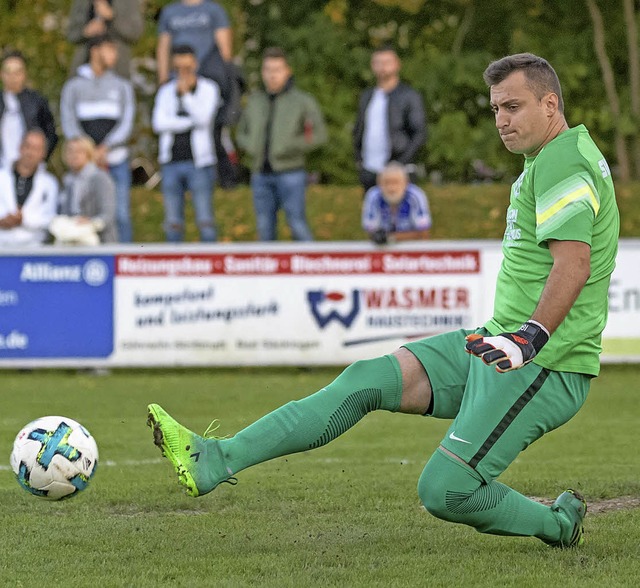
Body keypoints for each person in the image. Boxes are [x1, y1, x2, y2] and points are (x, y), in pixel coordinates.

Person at [147, 53, 620, 549]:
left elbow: (574, 264)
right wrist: (514, 338)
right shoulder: (550, 158)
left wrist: (529, 339)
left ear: (550, 104)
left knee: (445, 490)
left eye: (514, 107)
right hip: (497, 344)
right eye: (496, 108)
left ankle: (558, 525)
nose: (502, 120)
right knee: (366, 379)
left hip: (543, 363)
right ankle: (214, 458)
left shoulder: (564, 158)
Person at [236, 47, 327, 241]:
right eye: (268, 69)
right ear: (262, 72)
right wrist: (250, 145)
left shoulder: (302, 101)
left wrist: (291, 146)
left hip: (291, 172)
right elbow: (241, 132)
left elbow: (318, 135)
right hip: (260, 172)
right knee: (264, 225)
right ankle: (267, 269)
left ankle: (310, 266)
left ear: (287, 71)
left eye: (277, 69)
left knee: (296, 222)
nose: (272, 75)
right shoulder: (255, 101)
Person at [156, 0, 240, 189]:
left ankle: (225, 177)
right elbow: (164, 45)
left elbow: (225, 48)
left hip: (207, 78)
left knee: (214, 131)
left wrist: (226, 79)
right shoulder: (170, 12)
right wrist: (163, 78)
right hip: (177, 78)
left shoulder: (213, 10)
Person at [60, 34, 135, 243]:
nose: (115, 55)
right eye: (110, 49)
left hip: (115, 161)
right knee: (80, 214)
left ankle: (123, 264)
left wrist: (106, 148)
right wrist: (88, 151)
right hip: (84, 165)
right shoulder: (74, 87)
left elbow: (126, 122)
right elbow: (69, 122)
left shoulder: (122, 86)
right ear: (94, 51)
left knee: (120, 215)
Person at [152, 45, 220, 242]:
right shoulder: (165, 91)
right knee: (173, 221)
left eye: (186, 68)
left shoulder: (208, 88)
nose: (182, 73)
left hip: (199, 162)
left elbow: (203, 119)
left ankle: (210, 262)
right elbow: (159, 123)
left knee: (204, 219)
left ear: (195, 65)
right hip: (171, 161)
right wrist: (188, 122)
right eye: (178, 68)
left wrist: (186, 96)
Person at [353, 45, 426, 194]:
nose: (382, 67)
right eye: (378, 62)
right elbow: (359, 128)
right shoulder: (367, 96)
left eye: (387, 62)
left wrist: (401, 162)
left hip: (398, 170)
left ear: (397, 64)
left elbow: (419, 132)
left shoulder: (408, 96)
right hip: (369, 169)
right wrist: (359, 159)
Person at [53, 137, 117, 245]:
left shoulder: (100, 178)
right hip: (70, 236)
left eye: (79, 151)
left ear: (88, 154)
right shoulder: (67, 180)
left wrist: (90, 223)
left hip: (99, 241)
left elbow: (107, 215)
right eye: (70, 151)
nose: (74, 155)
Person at [0, 129, 58, 247]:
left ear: (43, 154)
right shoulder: (2, 176)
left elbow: (50, 219)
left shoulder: (50, 183)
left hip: (35, 248)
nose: (30, 153)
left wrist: (24, 220)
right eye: (28, 146)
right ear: (20, 147)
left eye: (36, 149)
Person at [0, 51, 58, 169]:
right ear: (2, 74)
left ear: (24, 74)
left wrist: (40, 157)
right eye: (8, 72)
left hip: (32, 168)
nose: (13, 77)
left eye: (17, 72)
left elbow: (50, 133)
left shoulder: (37, 101)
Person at [66, 0, 144, 80]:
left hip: (117, 73)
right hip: (83, 70)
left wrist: (112, 17)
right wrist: (85, 31)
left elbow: (135, 33)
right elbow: (71, 34)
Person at [362, 161, 432, 244]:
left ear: (406, 183)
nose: (391, 188)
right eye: (386, 183)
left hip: (412, 249)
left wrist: (391, 237)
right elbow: (371, 232)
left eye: (395, 182)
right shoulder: (373, 196)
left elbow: (424, 234)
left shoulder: (416, 196)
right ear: (379, 183)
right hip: (384, 251)